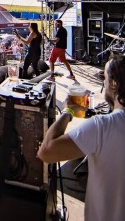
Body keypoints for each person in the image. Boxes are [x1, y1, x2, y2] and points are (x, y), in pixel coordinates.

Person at [38, 55, 125, 221]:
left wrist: (68, 111)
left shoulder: (102, 126)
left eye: (104, 78)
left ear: (114, 83)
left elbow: (46, 152)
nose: (104, 84)